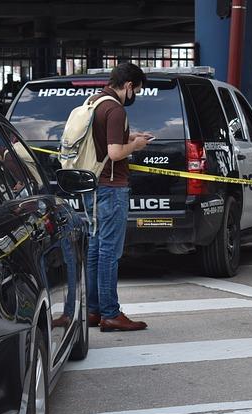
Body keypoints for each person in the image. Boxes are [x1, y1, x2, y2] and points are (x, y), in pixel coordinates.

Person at [83, 63, 153, 332]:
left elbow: (103, 142)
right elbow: (114, 153)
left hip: (94, 184)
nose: (136, 95)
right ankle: (111, 313)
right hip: (112, 187)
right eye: (137, 90)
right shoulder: (115, 109)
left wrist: (130, 137)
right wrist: (135, 145)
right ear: (129, 86)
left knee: (96, 249)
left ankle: (93, 310)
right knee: (109, 252)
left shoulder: (95, 102)